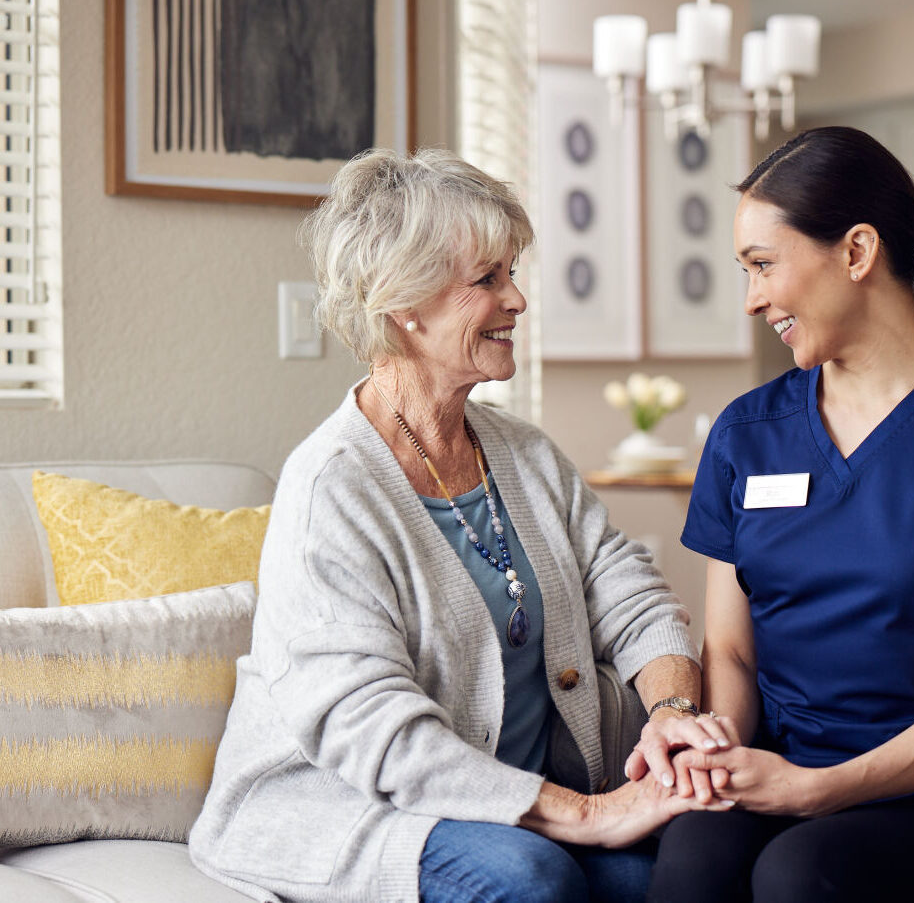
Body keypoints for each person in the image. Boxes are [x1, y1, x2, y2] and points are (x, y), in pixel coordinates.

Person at [188, 148, 728, 903]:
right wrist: (588, 814)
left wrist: (671, 713)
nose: (517, 299)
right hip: (352, 806)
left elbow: (630, 595)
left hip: (507, 801)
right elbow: (378, 733)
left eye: (513, 272)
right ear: (403, 302)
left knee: (685, 868)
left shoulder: (525, 454)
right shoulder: (331, 490)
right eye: (488, 279)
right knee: (529, 880)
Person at [643, 126, 914, 903]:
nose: (750, 299)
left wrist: (818, 791)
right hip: (776, 769)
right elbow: (731, 649)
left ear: (856, 252)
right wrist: (720, 754)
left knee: (799, 873)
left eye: (762, 266)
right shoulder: (746, 433)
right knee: (691, 857)